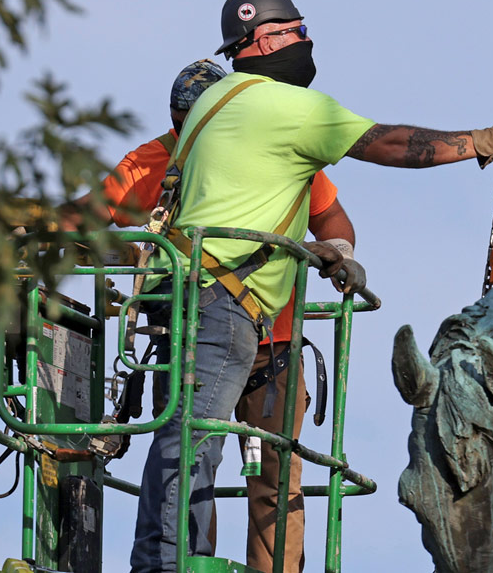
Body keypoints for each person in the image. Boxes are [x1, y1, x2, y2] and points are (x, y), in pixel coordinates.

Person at [130, 0, 493, 573]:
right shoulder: (280, 104)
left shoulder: (219, 107)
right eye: (297, 30)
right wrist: (485, 141)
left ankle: (167, 560)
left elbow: (267, 200)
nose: (306, 41)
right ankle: (165, 566)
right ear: (264, 40)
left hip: (194, 296)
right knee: (192, 441)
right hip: (223, 302)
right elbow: (388, 143)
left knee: (188, 438)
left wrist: (331, 247)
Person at [61, 58, 355, 572]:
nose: (189, 131)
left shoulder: (274, 147)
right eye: (181, 122)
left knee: (274, 474)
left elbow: (333, 218)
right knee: (193, 456)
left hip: (273, 344)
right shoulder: (153, 161)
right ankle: (194, 563)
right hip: (191, 336)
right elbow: (87, 215)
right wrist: (29, 226)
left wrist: (337, 253)